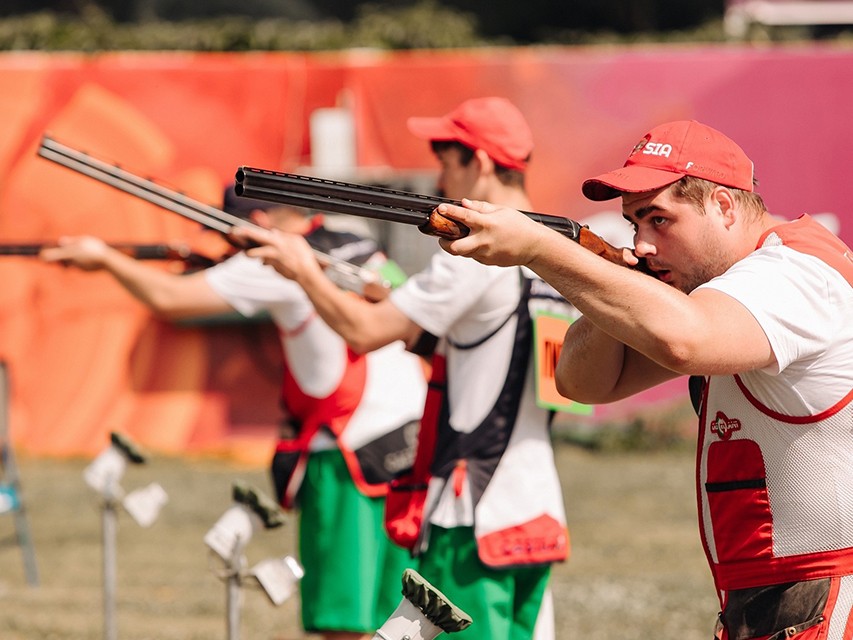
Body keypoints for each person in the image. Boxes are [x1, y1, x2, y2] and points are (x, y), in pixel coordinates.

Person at [428, 119, 853, 640]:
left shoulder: (794, 270)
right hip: (782, 598)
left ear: (723, 206)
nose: (644, 244)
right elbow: (582, 381)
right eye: (634, 225)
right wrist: (619, 278)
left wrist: (541, 251)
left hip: (823, 596)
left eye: (659, 220)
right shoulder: (731, 290)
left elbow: (685, 340)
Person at [235, 96, 572, 640]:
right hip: (536, 503)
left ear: (480, 163)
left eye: (446, 161)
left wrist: (304, 270)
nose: (440, 179)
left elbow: (365, 333)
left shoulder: (478, 258)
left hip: (471, 510)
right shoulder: (561, 257)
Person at [40, 189, 427, 640]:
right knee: (399, 622)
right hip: (412, 443)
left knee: (342, 623)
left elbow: (170, 298)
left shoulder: (269, 261)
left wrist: (105, 258)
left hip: (345, 452)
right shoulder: (357, 240)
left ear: (259, 222)